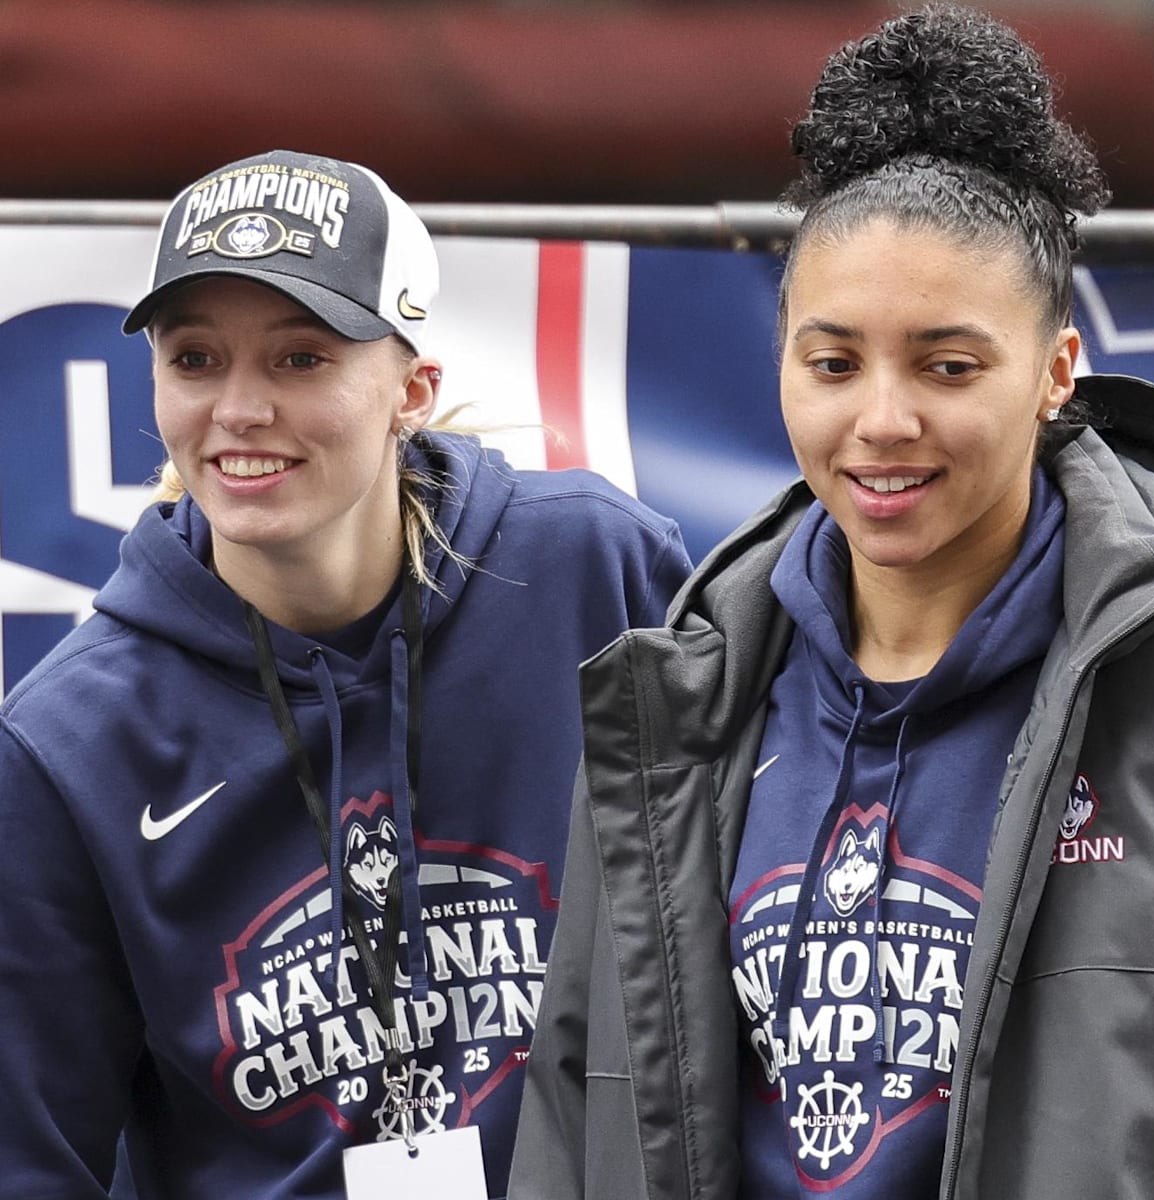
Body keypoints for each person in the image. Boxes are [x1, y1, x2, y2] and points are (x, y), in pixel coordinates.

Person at [509, 7, 1154, 1198]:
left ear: (1055, 372)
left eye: (948, 365)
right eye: (834, 363)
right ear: (780, 356)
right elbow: (575, 1119)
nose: (883, 420)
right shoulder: (682, 693)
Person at [0, 149, 692, 1199]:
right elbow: (32, 1157)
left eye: (300, 359)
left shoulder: (595, 570)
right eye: (195, 360)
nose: (237, 411)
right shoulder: (67, 744)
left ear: (411, 389)